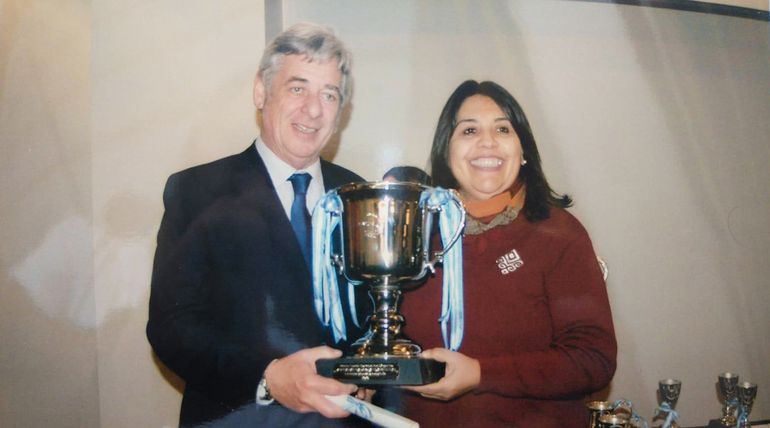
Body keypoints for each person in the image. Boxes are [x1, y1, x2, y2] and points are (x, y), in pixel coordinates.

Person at [146, 23, 375, 427]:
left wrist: (371, 369)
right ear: (260, 91)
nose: (313, 109)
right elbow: (172, 328)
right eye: (298, 88)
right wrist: (268, 376)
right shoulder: (197, 191)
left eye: (329, 95)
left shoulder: (360, 196)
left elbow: (376, 313)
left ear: (341, 112)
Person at [400, 80, 617, 427]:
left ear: (524, 150)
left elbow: (593, 359)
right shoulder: (413, 234)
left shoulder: (559, 234)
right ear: (446, 150)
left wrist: (480, 374)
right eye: (469, 130)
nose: (487, 141)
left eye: (503, 128)